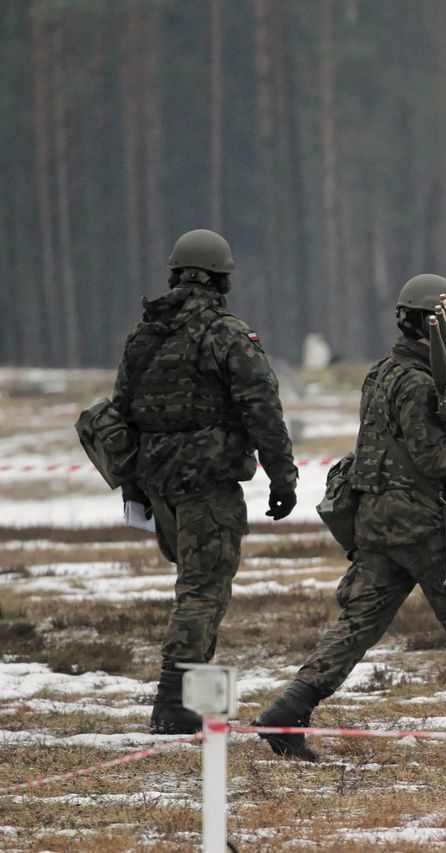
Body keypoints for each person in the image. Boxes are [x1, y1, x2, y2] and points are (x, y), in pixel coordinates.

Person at [255, 274, 446, 761]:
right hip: (419, 523)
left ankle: (287, 712)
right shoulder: (416, 382)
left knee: (359, 624)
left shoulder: (380, 372)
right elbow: (432, 459)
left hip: (377, 520)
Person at [112, 229, 298, 734]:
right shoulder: (226, 334)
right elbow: (262, 408)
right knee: (203, 589)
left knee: (197, 586)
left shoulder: (143, 335)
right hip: (208, 484)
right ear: (220, 279)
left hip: (158, 483)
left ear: (175, 275)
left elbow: (121, 413)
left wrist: (134, 485)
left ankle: (188, 700)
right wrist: (282, 476)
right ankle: (174, 704)